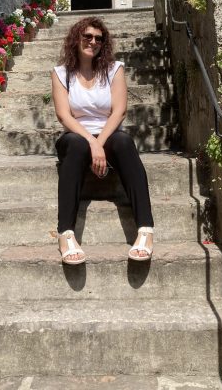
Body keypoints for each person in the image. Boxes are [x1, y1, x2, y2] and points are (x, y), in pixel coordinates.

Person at [51, 16, 154, 265]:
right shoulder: (61, 73)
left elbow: (119, 111)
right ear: (76, 39)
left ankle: (145, 230)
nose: (93, 42)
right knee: (75, 144)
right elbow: (63, 115)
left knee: (124, 142)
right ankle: (66, 233)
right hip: (76, 136)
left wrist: (100, 141)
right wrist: (91, 142)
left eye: (99, 38)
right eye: (87, 36)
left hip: (107, 134)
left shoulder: (114, 69)